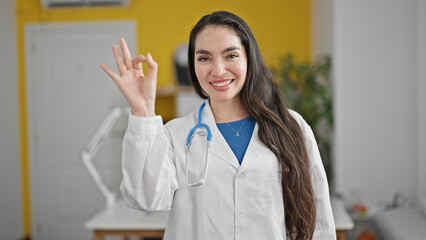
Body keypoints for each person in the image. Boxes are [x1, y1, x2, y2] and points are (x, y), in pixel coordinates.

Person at [101, 11, 336, 240]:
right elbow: (146, 199)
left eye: (231, 55)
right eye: (204, 58)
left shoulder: (291, 127)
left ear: (248, 58)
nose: (218, 70)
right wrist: (143, 111)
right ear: (193, 66)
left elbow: (318, 217)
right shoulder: (175, 135)